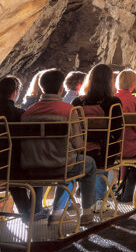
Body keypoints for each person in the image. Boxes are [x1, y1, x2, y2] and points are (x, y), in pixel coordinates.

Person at [22, 69, 99, 226]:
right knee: (88, 164)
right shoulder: (68, 111)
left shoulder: (27, 113)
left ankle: (57, 213)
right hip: (60, 166)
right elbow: (78, 145)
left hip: (32, 168)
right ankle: (87, 212)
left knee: (68, 161)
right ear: (60, 89)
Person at [0, 76, 47, 221]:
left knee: (12, 173)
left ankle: (27, 212)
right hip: (13, 169)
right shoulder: (19, 115)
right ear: (15, 92)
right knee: (38, 171)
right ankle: (35, 211)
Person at [72, 63, 123, 210]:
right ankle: (100, 198)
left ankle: (84, 193)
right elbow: (117, 131)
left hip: (80, 151)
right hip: (104, 152)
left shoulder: (77, 102)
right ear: (109, 82)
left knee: (92, 154)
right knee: (106, 150)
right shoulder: (113, 103)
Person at [115, 70, 136, 202]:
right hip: (131, 147)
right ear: (133, 84)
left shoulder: (111, 100)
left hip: (110, 148)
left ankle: (120, 184)